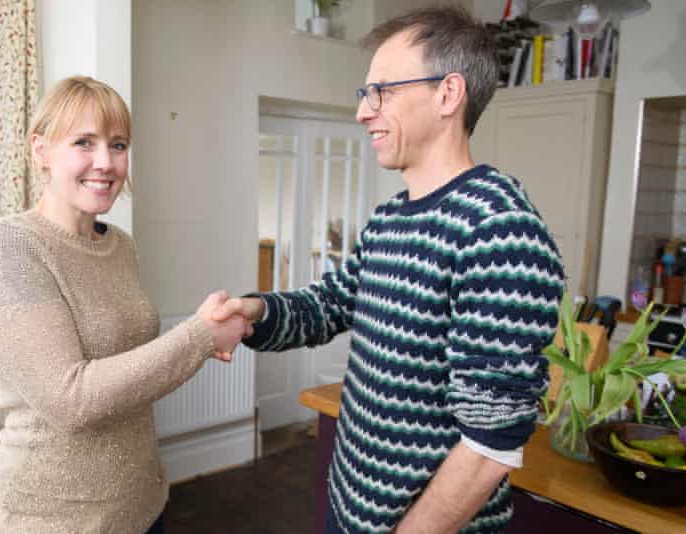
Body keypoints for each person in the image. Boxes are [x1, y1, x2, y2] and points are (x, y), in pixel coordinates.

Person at [213, 7, 565, 534]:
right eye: (366, 94)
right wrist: (253, 313)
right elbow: (331, 304)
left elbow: (491, 444)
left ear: (448, 94)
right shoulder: (391, 216)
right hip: (351, 508)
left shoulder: (500, 229)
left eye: (382, 92)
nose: (363, 112)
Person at [0, 76, 251, 534]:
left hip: (143, 506)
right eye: (84, 142)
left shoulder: (120, 245)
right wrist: (201, 336)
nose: (105, 162)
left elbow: (129, 368)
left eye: (118, 145)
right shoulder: (12, 248)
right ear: (41, 150)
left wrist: (213, 329)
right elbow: (70, 400)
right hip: (54, 521)